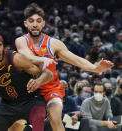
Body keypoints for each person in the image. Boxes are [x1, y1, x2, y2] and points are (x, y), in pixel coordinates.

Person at [15, 3, 114, 131]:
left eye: (38, 21)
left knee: (55, 119)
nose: (35, 24)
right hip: (29, 88)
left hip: (51, 88)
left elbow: (76, 59)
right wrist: (43, 59)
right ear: (25, 23)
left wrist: (95, 68)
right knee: (16, 125)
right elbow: (27, 55)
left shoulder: (53, 43)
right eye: (31, 21)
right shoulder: (21, 41)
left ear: (43, 23)